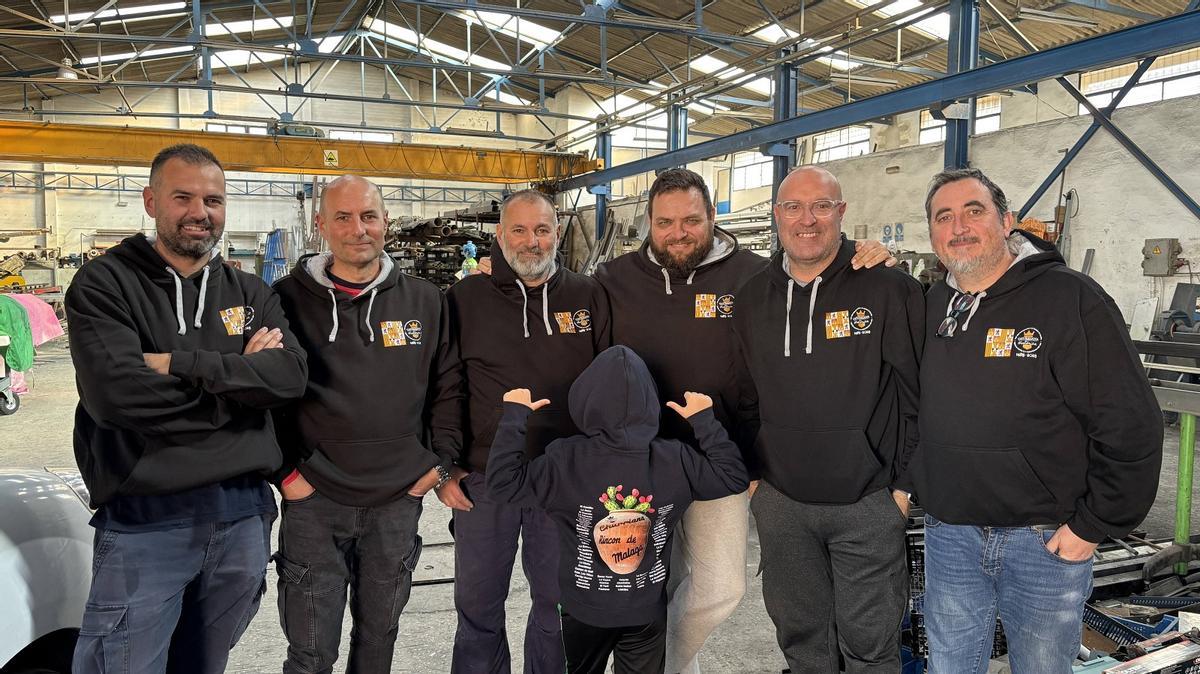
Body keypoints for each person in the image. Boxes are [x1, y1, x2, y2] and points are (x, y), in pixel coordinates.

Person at [590, 167, 895, 674]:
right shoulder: (614, 280)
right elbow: (559, 308)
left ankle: (652, 667)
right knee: (639, 590)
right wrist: (499, 274)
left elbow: (819, 279)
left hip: (722, 461)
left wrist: (866, 255)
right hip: (638, 467)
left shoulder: (757, 275)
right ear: (648, 222)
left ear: (712, 216)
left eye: (691, 219)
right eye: (665, 222)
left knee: (719, 590)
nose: (678, 232)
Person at [66, 143, 308, 673]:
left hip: (242, 516)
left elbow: (289, 378)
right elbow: (118, 397)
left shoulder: (250, 291)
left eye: (214, 200)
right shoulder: (105, 285)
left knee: (203, 664)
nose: (201, 212)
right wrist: (242, 393)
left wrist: (178, 364)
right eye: (184, 197)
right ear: (151, 202)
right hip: (147, 522)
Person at [912, 167, 1163, 673]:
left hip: (1043, 540)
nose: (959, 226)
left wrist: (1092, 526)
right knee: (949, 666)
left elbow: (1130, 424)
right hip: (951, 533)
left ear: (1007, 222)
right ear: (933, 235)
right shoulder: (933, 303)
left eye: (974, 211)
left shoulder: (1071, 299)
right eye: (944, 216)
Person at [729, 166, 923, 673]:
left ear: (841, 213)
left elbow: (915, 394)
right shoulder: (752, 298)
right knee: (802, 641)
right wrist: (755, 480)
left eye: (820, 206)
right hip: (782, 505)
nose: (806, 219)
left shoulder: (887, 289)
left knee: (871, 646)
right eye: (793, 207)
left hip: (867, 503)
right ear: (776, 216)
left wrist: (901, 487)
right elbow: (743, 395)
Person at [270, 175, 462, 674]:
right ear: (321, 226)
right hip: (314, 502)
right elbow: (264, 396)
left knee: (378, 642)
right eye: (344, 217)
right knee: (311, 652)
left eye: (369, 216)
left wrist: (436, 467)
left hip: (397, 502)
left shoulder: (426, 300)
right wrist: (288, 476)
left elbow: (449, 388)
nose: (359, 229)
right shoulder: (284, 299)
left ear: (386, 223)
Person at [485, 345, 749, 674]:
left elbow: (501, 485)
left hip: (582, 612)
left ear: (584, 400)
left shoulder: (565, 459)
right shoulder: (676, 459)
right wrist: (703, 420)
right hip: (646, 613)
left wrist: (514, 416)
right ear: (650, 402)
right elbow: (734, 478)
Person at [442, 188, 611, 673]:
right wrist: (445, 465)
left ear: (556, 233)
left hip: (562, 482)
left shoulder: (587, 294)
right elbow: (447, 386)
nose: (531, 241)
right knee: (477, 608)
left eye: (541, 230)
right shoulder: (464, 298)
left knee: (556, 607)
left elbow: (609, 385)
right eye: (519, 229)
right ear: (499, 235)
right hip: (484, 479)